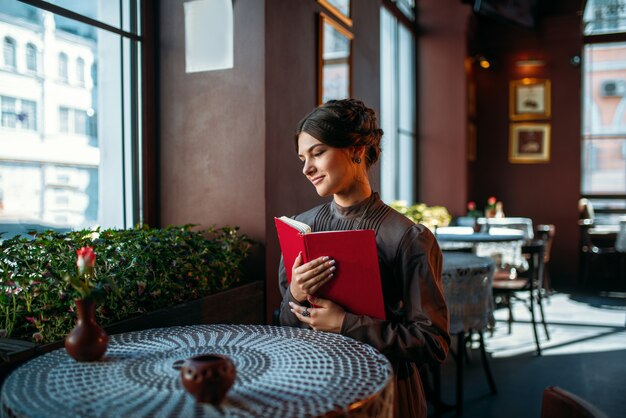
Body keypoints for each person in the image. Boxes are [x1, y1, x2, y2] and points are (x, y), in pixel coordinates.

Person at [277, 98, 450, 418]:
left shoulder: (408, 237)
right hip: (317, 388)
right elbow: (284, 324)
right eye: (302, 158)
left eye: (317, 153)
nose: (306, 168)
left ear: (356, 149)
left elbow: (432, 342)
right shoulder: (302, 228)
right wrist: (296, 294)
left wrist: (345, 324)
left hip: (387, 396)